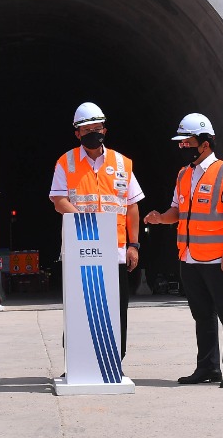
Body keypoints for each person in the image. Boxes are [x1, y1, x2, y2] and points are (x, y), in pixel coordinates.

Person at [144, 113, 223, 388]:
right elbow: (178, 212)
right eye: (181, 142)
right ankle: (207, 368)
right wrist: (160, 218)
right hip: (189, 257)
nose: (182, 147)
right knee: (202, 315)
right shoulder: (183, 175)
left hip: (218, 258)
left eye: (187, 142)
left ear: (204, 143)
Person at [50, 102, 142, 359]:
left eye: (97, 128)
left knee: (116, 307)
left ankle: (115, 360)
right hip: (82, 248)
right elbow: (59, 201)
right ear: (77, 133)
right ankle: (78, 361)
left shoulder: (122, 163)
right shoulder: (65, 162)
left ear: (105, 130)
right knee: (80, 307)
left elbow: (132, 206)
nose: (93, 132)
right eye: (87, 129)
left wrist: (133, 245)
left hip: (116, 251)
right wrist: (87, 223)